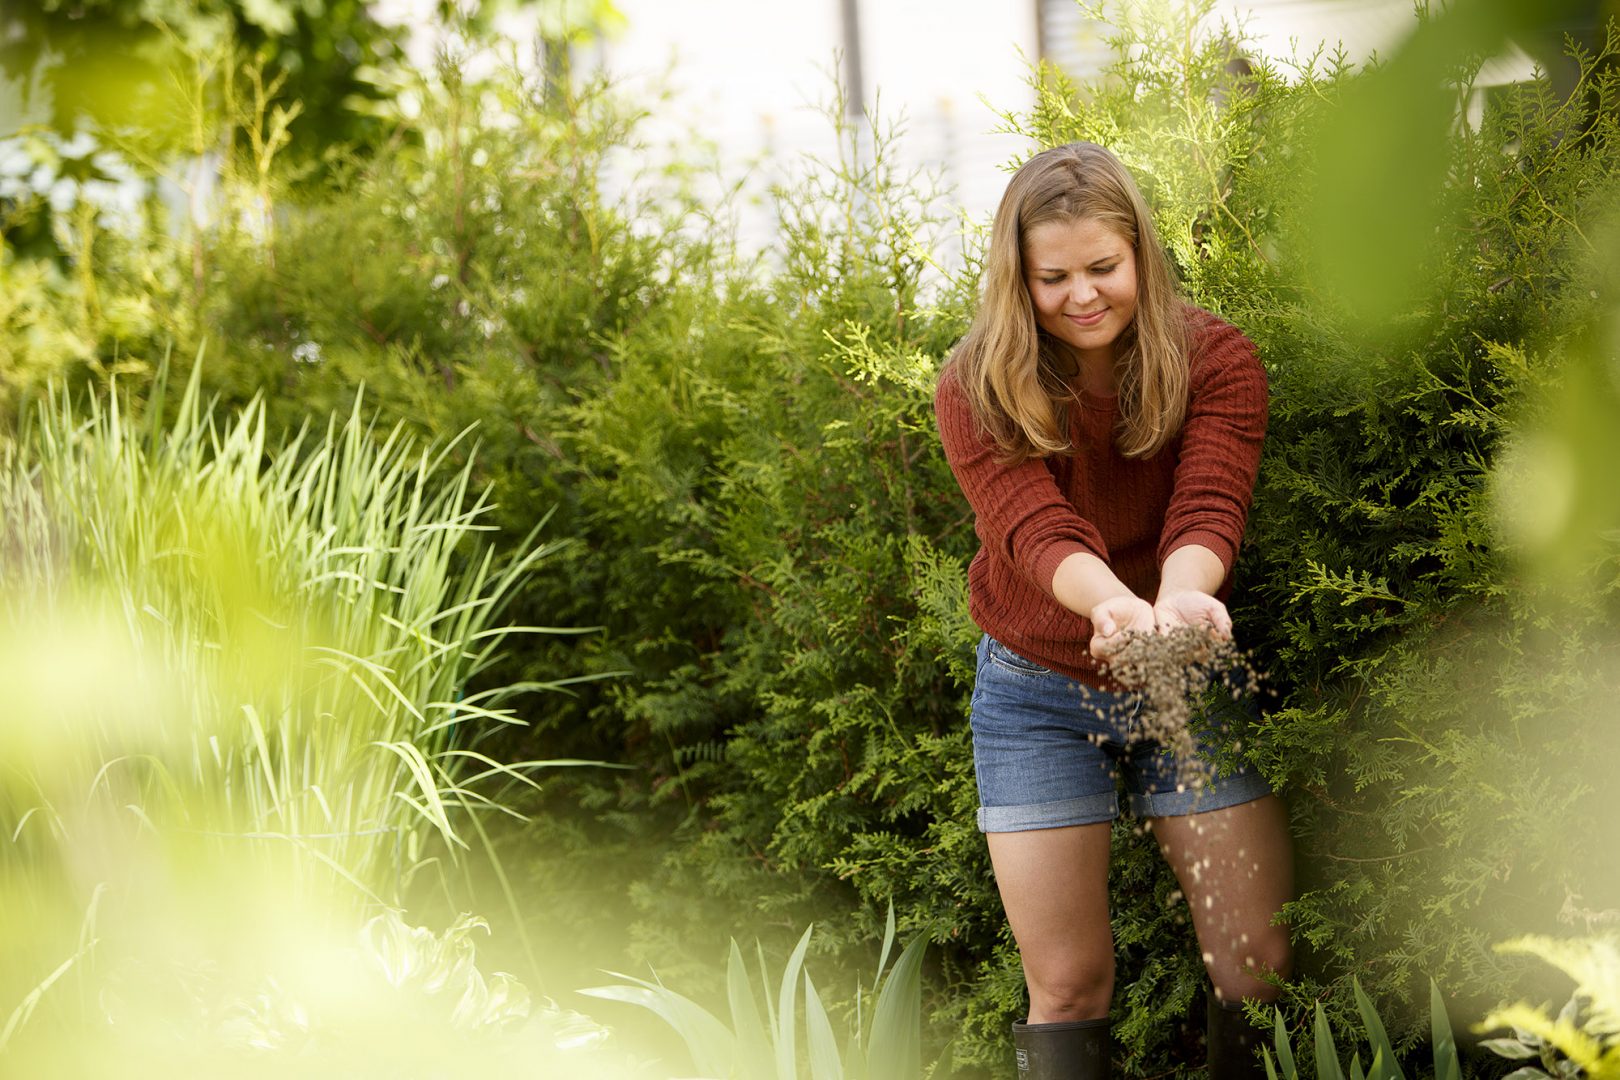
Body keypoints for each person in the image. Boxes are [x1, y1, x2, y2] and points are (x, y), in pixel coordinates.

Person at [932, 142, 1292, 1079]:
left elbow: (1211, 501)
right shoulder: (977, 384)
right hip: (1037, 693)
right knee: (1067, 985)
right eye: (1053, 277)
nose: (1082, 294)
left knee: (1258, 960)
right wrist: (1115, 606)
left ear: (1140, 257)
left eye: (1103, 268)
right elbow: (1031, 528)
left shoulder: (1214, 358)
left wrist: (1175, 602)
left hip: (1180, 665)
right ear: (1019, 276)